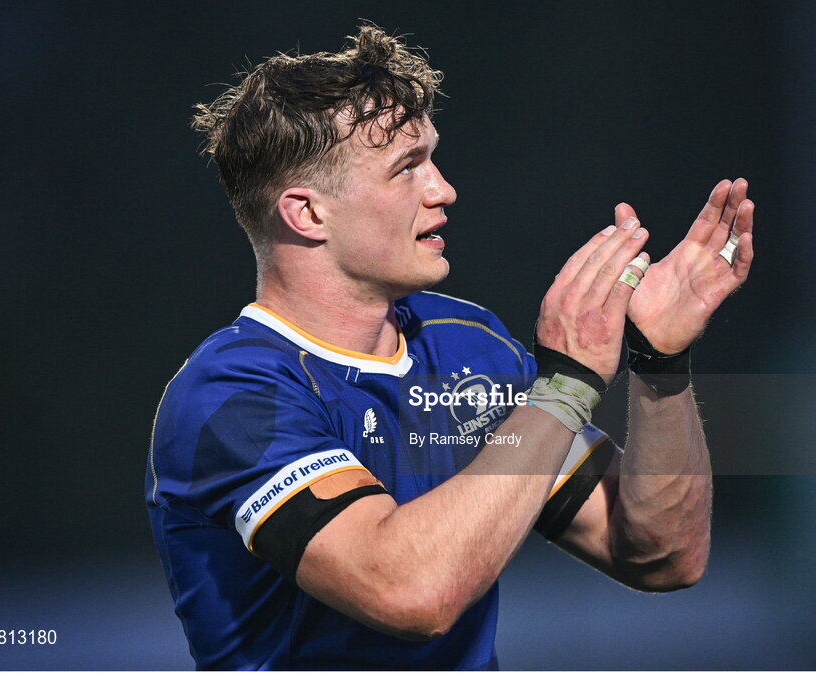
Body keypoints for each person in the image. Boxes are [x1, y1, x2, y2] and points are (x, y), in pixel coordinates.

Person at [145, 25, 755, 670]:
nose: (443, 189)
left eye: (432, 158)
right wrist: (564, 386)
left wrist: (659, 365)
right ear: (307, 214)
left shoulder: (467, 345)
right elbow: (410, 593)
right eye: (407, 168)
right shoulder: (232, 395)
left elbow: (662, 555)